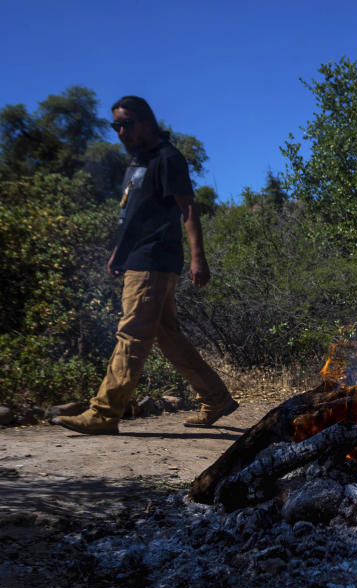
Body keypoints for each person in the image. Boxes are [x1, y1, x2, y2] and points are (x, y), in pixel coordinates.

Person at [53, 96, 237, 435]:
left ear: (147, 122)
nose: (121, 131)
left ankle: (104, 413)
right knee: (168, 336)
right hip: (138, 256)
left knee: (132, 334)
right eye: (116, 126)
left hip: (155, 259)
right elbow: (135, 217)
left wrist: (199, 257)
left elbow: (188, 210)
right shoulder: (139, 162)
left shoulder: (167, 158)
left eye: (127, 123)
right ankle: (216, 398)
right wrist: (118, 253)